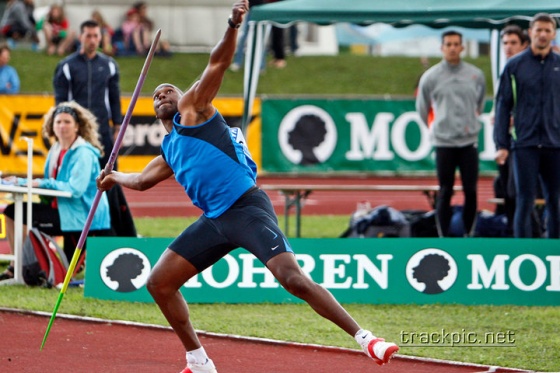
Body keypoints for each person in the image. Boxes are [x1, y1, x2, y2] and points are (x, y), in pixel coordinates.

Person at [96, 1, 399, 372]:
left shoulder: (194, 110)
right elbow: (141, 181)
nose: (162, 95)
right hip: (214, 221)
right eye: (156, 95)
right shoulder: (170, 148)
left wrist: (232, 25)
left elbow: (217, 64)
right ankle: (198, 360)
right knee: (159, 283)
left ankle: (366, 339)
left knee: (293, 280)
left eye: (167, 91)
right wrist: (113, 178)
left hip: (246, 208)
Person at [0, 101, 112, 280]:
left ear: (77, 126)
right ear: (52, 126)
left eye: (67, 122)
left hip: (82, 215)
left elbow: (75, 189)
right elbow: (49, 182)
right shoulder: (56, 150)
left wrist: (41, 184)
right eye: (58, 122)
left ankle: (23, 267)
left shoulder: (83, 153)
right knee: (12, 210)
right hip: (63, 209)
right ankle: (16, 266)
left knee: (19, 213)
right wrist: (20, 182)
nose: (62, 126)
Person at [53, 20, 137, 237]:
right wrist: (63, 130)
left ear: (101, 38)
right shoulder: (66, 66)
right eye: (88, 36)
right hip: (77, 136)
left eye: (96, 36)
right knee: (78, 182)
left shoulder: (109, 65)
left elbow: (114, 98)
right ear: (80, 37)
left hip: (103, 135)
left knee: (110, 180)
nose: (92, 40)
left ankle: (118, 232)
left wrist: (117, 125)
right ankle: (79, 231)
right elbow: (61, 103)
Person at [494, 13, 560, 238]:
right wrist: (501, 143)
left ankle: (555, 249)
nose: (542, 34)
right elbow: (503, 105)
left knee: (556, 200)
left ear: (553, 34)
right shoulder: (514, 66)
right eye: (538, 30)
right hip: (525, 144)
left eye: (547, 30)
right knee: (524, 199)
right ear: (530, 33)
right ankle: (522, 251)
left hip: (555, 144)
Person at [416, 30, 486, 237]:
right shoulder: (430, 77)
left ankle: (468, 233)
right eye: (449, 44)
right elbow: (422, 107)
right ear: (442, 47)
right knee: (445, 191)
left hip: (468, 141)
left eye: (456, 44)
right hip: (444, 142)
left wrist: (469, 122)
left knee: (471, 190)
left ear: (462, 47)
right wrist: (436, 127)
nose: (453, 48)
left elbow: (479, 103)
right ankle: (443, 235)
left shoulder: (475, 75)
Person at [492, 25, 529, 235]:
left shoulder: (529, 70)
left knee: (521, 192)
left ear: (524, 44)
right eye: (505, 43)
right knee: (507, 190)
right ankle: (512, 232)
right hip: (505, 141)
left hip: (527, 141)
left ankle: (530, 234)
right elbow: (502, 105)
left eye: (513, 43)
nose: (508, 48)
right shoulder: (506, 71)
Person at [230, 0, 265, 72]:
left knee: (260, 38)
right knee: (243, 37)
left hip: (261, 9)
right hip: (252, 10)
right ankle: (238, 62)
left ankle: (261, 65)